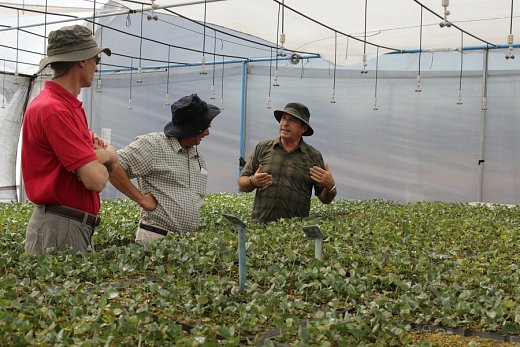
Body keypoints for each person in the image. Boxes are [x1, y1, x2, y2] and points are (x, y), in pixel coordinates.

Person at [22, 25, 119, 255]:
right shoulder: (55, 110)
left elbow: (104, 166)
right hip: (60, 228)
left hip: (68, 225)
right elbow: (96, 180)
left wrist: (100, 158)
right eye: (96, 59)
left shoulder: (67, 106)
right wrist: (107, 155)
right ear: (82, 61)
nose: (97, 66)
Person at [109, 94, 221, 243]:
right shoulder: (154, 145)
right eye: (205, 127)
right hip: (156, 236)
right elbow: (112, 165)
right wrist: (141, 199)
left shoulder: (196, 154)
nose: (208, 132)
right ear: (191, 128)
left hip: (186, 242)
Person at [238, 102, 337, 223]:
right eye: (283, 118)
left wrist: (331, 187)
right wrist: (252, 181)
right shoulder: (263, 148)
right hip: (259, 228)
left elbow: (324, 198)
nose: (285, 124)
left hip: (293, 234)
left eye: (292, 120)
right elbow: (241, 183)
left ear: (303, 128)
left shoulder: (313, 156)